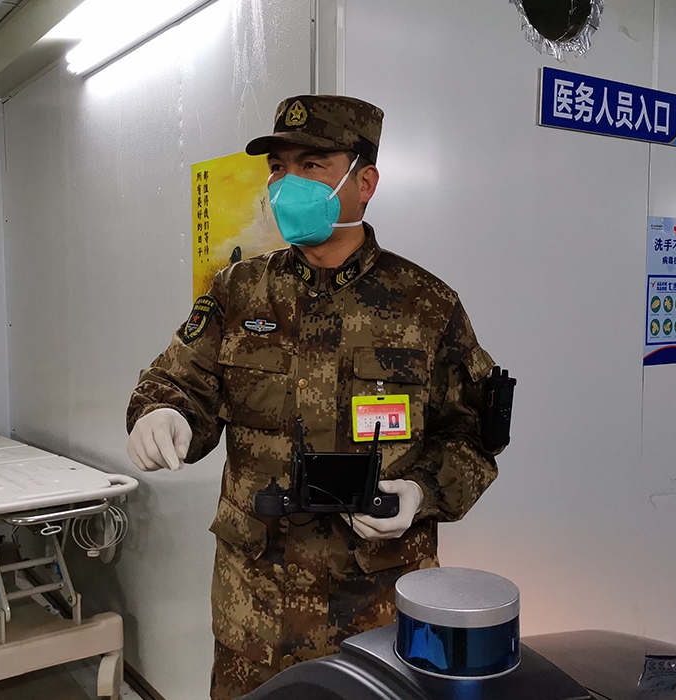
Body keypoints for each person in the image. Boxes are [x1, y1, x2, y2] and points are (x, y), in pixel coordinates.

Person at [126, 94, 501, 699]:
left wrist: (420, 491)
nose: (287, 184)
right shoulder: (238, 291)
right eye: (278, 167)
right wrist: (163, 411)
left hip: (376, 611)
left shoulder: (426, 304)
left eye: (312, 166)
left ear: (365, 182)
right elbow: (178, 382)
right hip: (254, 611)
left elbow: (472, 435)